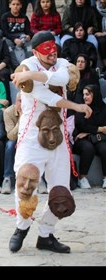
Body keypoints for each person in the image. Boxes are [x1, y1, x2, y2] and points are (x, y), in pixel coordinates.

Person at [9, 31, 92, 253]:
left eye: (53, 49)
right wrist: (77, 107)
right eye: (46, 51)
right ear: (35, 52)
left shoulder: (62, 63)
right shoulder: (26, 64)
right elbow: (48, 97)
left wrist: (32, 76)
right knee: (25, 186)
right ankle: (22, 227)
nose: (52, 54)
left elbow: (62, 79)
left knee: (61, 193)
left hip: (58, 138)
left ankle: (46, 234)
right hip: (31, 138)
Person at [72, 84, 106, 189]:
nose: (84, 97)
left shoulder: (103, 108)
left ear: (95, 95)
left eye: (88, 94)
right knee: (88, 148)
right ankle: (82, 178)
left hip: (96, 138)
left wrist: (89, 132)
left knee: (104, 148)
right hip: (80, 139)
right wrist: (98, 129)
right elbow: (81, 124)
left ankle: (105, 178)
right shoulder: (81, 107)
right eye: (84, 94)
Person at [2, 92, 22, 194]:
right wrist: (21, 120)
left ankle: (40, 178)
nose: (22, 105)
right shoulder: (8, 112)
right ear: (15, 101)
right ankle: (7, 178)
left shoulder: (34, 111)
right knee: (9, 145)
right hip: (15, 139)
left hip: (29, 139)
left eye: (25, 102)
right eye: (20, 101)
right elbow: (11, 136)